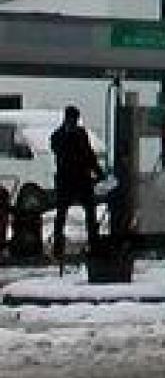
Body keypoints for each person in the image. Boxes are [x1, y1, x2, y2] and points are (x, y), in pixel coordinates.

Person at [50, 105, 104, 261]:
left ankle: (94, 245)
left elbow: (89, 154)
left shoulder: (81, 134)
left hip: (82, 180)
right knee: (61, 215)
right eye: (71, 119)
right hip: (67, 180)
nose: (73, 122)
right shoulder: (58, 136)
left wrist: (99, 172)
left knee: (90, 214)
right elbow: (63, 153)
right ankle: (58, 248)